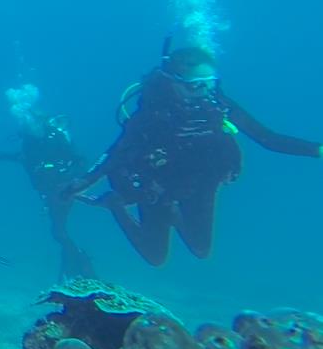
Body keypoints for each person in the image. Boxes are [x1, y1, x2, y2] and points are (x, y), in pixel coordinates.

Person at [64, 44, 322, 266]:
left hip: (201, 182)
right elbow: (116, 153)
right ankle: (115, 204)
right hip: (157, 185)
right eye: (195, 85)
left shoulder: (217, 104)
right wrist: (83, 182)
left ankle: (173, 215)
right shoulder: (153, 113)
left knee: (201, 250)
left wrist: (317, 150)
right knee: (155, 257)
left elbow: (269, 139)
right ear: (173, 83)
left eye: (210, 84)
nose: (204, 93)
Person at [0, 110, 96, 280]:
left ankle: (79, 265)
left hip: (64, 189)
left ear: (41, 122)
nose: (30, 129)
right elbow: (26, 159)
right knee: (57, 230)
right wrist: (5, 156)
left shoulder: (56, 137)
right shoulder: (29, 142)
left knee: (58, 230)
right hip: (48, 192)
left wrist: (68, 180)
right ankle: (74, 263)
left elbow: (80, 161)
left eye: (32, 124)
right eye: (27, 126)